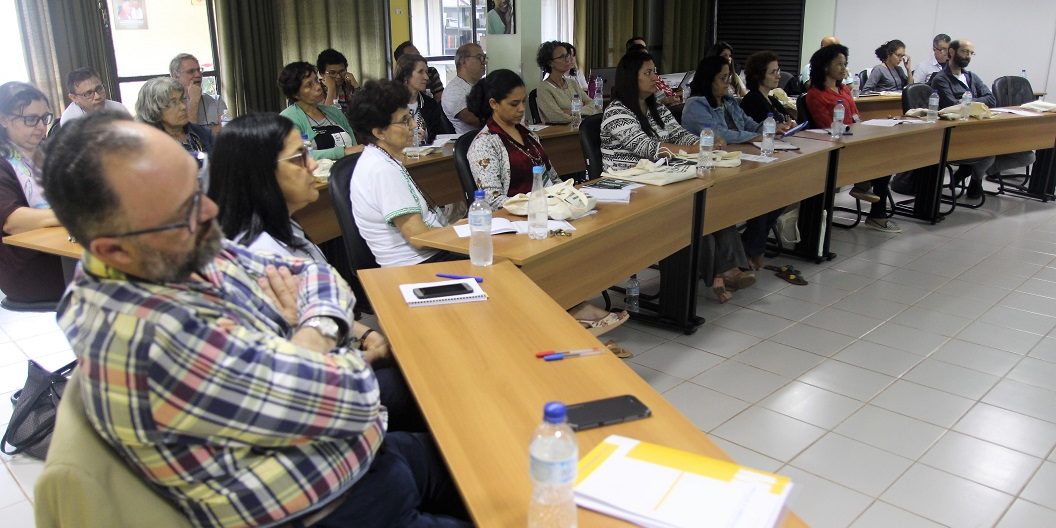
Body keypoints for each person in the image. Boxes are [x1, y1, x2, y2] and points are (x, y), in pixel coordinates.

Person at [41, 111, 469, 527]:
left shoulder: (171, 248)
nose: (210, 210)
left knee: (478, 443)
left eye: (198, 183)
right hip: (333, 503)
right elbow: (356, 396)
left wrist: (310, 334)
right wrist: (312, 337)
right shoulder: (149, 336)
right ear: (114, 251)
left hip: (362, 459)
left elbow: (316, 276)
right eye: (184, 208)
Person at [465, 69, 631, 335]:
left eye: (522, 102)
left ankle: (573, 306)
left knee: (593, 226)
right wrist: (540, 206)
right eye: (514, 104)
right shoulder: (485, 144)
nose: (522, 109)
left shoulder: (529, 135)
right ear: (493, 104)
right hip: (515, 222)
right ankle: (573, 311)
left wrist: (568, 198)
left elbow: (551, 177)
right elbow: (494, 201)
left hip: (546, 213)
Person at [348, 80, 464, 267]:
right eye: (404, 121)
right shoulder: (381, 170)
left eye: (410, 116)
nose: (413, 125)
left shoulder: (382, 158)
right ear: (379, 132)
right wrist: (460, 233)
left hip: (430, 255)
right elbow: (418, 238)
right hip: (418, 265)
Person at [807, 44, 901, 233]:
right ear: (825, 66)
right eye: (839, 64)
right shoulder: (815, 94)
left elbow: (856, 116)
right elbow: (826, 126)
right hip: (837, 146)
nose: (844, 69)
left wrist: (866, 129)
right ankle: (868, 194)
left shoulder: (843, 89)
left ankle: (868, 193)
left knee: (886, 155)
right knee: (880, 159)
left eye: (845, 64)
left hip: (855, 139)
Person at [931, 39, 1034, 199]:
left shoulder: (971, 76)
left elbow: (992, 99)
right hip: (958, 134)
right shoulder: (941, 79)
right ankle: (975, 177)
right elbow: (953, 105)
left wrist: (967, 101)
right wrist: (975, 102)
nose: (968, 56)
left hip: (980, 130)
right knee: (988, 154)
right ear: (951, 52)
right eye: (964, 51)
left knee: (1027, 156)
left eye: (971, 53)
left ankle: (973, 172)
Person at [0, 82, 65, 303]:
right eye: (30, 119)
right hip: (31, 266)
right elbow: (12, 221)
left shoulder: (46, 152)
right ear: (3, 119)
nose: (40, 127)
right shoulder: (4, 161)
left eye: (44, 118)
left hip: (60, 245)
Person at [741, 51, 800, 270]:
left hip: (777, 153)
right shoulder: (752, 100)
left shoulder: (773, 98)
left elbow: (785, 120)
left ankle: (751, 245)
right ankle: (753, 248)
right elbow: (758, 130)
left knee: (782, 195)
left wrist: (789, 125)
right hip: (757, 159)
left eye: (778, 70)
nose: (778, 75)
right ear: (759, 75)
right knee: (768, 198)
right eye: (773, 72)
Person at [600, 50, 700, 171]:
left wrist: (702, 145)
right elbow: (645, 147)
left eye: (654, 72)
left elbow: (679, 135)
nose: (655, 78)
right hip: (624, 178)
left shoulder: (658, 108)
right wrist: (690, 150)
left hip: (657, 173)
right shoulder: (615, 112)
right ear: (631, 78)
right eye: (648, 73)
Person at [682, 56, 793, 143]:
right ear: (708, 80)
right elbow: (719, 134)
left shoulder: (728, 101)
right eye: (723, 78)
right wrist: (757, 137)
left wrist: (771, 129)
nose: (728, 82)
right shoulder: (695, 105)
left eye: (728, 77)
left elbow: (749, 125)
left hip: (736, 152)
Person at [278, 61, 359, 161]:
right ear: (295, 94)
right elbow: (296, 155)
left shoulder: (335, 112)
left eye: (316, 80)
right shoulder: (288, 119)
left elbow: (355, 147)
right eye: (309, 85)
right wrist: (343, 152)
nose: (318, 87)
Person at [135, 76, 213, 158]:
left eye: (182, 99)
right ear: (155, 109)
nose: (183, 107)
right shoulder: (145, 144)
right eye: (174, 102)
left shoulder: (202, 133)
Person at [394, 54, 453, 144]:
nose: (426, 77)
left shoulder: (430, 104)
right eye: (420, 72)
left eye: (426, 72)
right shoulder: (390, 103)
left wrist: (426, 137)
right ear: (406, 75)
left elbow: (439, 136)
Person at [535, 41, 599, 124]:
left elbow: (593, 105)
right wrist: (582, 109)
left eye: (567, 55)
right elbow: (557, 117)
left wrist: (570, 111)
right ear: (550, 63)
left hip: (579, 127)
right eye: (562, 57)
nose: (568, 59)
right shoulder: (543, 88)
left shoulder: (572, 83)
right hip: (559, 131)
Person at [169, 53, 227, 135]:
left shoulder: (216, 101)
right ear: (175, 76)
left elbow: (227, 132)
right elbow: (187, 136)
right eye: (191, 71)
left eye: (199, 70)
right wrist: (194, 100)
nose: (198, 75)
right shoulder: (168, 106)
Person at [442, 43, 487, 134]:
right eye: (479, 57)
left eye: (484, 58)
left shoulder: (482, 85)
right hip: (472, 140)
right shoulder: (453, 91)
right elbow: (476, 121)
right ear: (463, 61)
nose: (484, 62)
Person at [60, 67, 128, 126]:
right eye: (88, 93)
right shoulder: (70, 120)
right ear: (74, 98)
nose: (97, 97)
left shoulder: (119, 108)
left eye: (99, 89)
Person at [626, 38, 680, 105]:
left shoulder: (651, 74)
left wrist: (673, 97)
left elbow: (660, 95)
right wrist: (666, 100)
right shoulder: (632, 78)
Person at [316, 48, 360, 120]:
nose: (338, 76)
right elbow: (327, 119)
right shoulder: (315, 90)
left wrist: (356, 86)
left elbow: (364, 111)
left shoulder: (348, 86)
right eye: (332, 73)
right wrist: (332, 88)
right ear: (322, 74)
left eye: (342, 71)